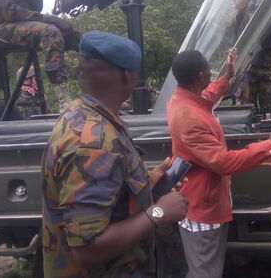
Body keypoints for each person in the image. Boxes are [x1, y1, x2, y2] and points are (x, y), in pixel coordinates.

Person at [42, 31, 188, 277]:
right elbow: (88, 248)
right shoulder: (94, 142)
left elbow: (106, 199)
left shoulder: (80, 115)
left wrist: (146, 186)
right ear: (127, 75)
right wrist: (160, 212)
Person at [167, 47, 271, 278]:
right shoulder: (190, 117)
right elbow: (223, 162)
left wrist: (228, 75)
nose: (211, 73)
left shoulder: (183, 99)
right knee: (205, 272)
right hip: (202, 208)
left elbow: (209, 93)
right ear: (200, 75)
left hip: (207, 199)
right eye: (208, 70)